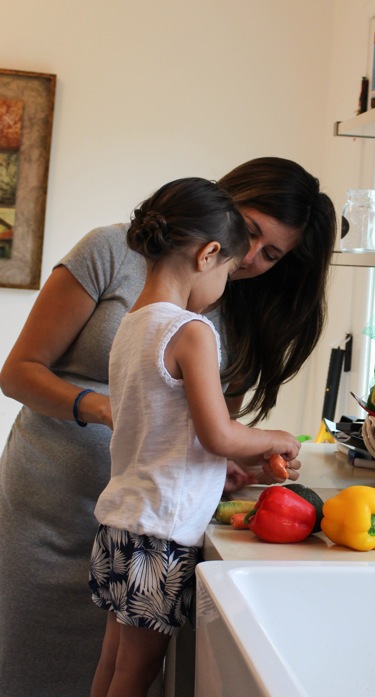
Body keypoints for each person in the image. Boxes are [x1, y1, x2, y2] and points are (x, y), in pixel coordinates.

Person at [0, 156, 336, 697]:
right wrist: (113, 410)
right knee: (38, 671)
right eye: (248, 234)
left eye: (271, 254)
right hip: (53, 507)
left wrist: (227, 465)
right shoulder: (111, 253)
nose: (249, 258)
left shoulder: (233, 312)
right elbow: (18, 373)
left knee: (113, 671)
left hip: (141, 519)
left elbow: (210, 431)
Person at [87, 177, 300, 697]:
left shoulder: (132, 325)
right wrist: (276, 437)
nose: (230, 279)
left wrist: (216, 465)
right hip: (159, 535)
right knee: (137, 675)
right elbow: (219, 433)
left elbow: (164, 429)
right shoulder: (192, 330)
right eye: (229, 267)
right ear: (208, 255)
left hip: (119, 524)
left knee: (112, 664)